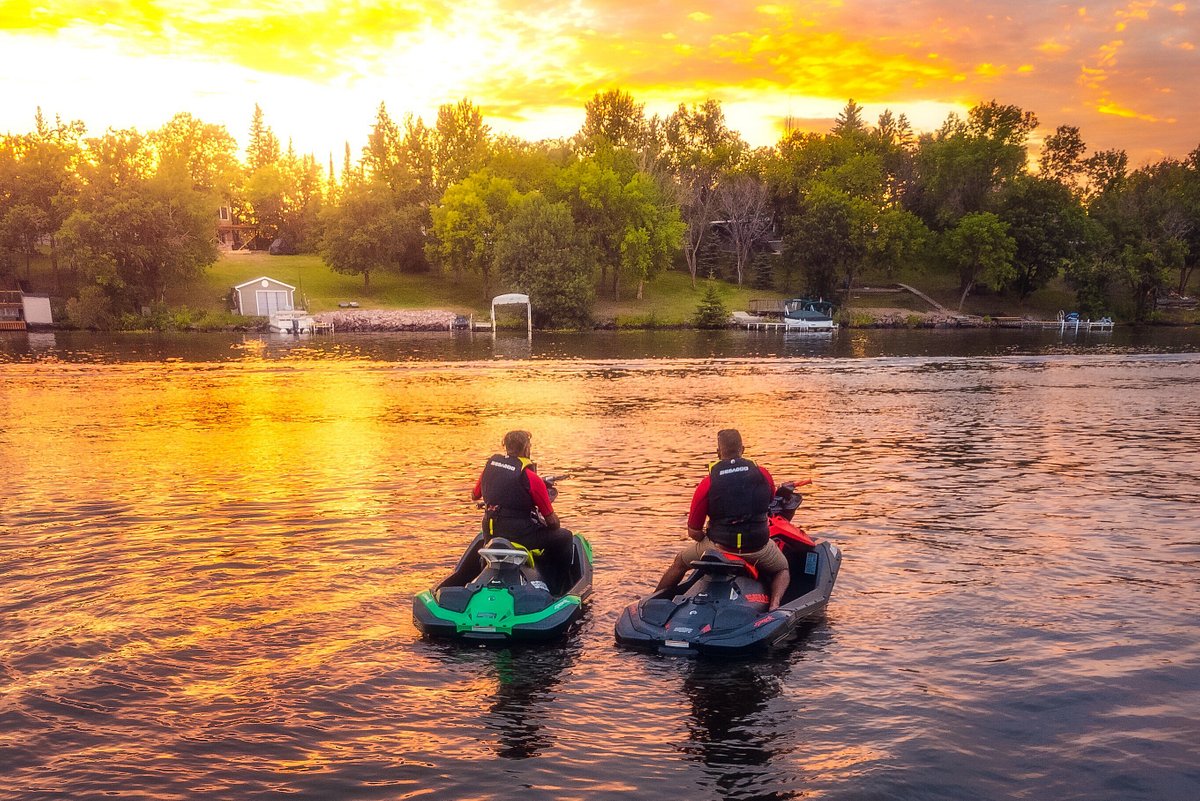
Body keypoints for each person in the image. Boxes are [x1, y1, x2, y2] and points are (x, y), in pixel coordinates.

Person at [655, 429, 791, 610]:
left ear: (718, 452)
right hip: (759, 548)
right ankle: (774, 606)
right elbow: (770, 500)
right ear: (743, 449)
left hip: (720, 548)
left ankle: (652, 602)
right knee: (782, 569)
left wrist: (707, 537)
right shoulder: (763, 474)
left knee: (680, 562)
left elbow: (693, 531)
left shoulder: (708, 482)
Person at [472, 430, 574, 591]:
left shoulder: (489, 468)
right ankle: (556, 588)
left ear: (505, 446)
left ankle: (482, 578)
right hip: (521, 535)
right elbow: (552, 522)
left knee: (485, 540)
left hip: (491, 531)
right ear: (526, 448)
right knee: (565, 537)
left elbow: (475, 495)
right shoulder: (531, 478)